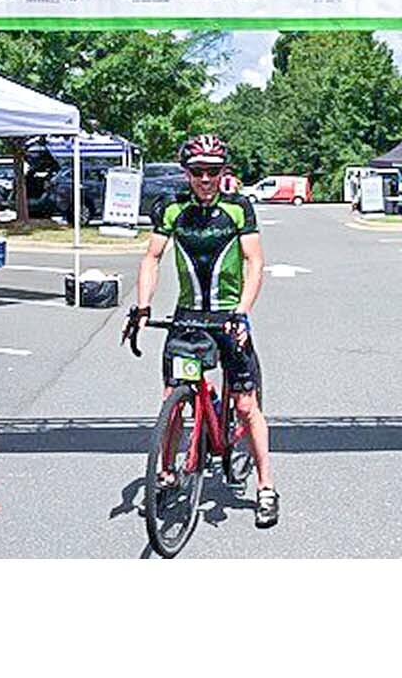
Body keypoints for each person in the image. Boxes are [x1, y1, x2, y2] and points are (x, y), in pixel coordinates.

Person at [125, 133, 278, 529]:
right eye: (198, 172)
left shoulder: (238, 208)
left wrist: (242, 312)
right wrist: (143, 306)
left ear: (223, 172)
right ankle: (168, 473)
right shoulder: (172, 208)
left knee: (246, 406)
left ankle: (265, 487)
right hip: (188, 317)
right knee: (170, 400)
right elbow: (151, 258)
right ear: (186, 172)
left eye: (213, 171)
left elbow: (255, 263)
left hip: (228, 315)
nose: (206, 179)